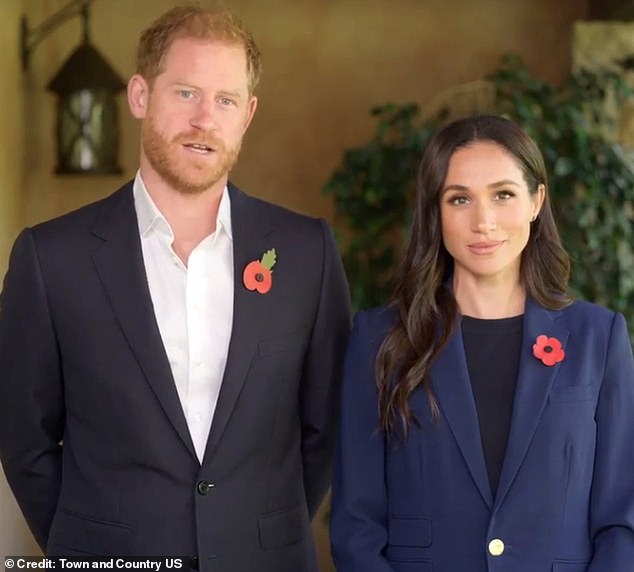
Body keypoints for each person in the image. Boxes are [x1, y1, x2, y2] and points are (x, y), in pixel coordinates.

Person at [0, 6, 351, 571]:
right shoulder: (51, 259)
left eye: (226, 100)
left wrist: (256, 528)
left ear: (248, 114)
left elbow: (325, 428)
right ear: (140, 96)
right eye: (186, 93)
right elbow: (24, 441)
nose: (205, 119)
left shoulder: (307, 252)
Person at [329, 114, 634, 572]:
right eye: (459, 199)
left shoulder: (599, 338)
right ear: (435, 211)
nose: (483, 222)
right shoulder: (380, 339)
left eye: (503, 194)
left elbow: (621, 520)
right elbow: (357, 527)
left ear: (537, 201)